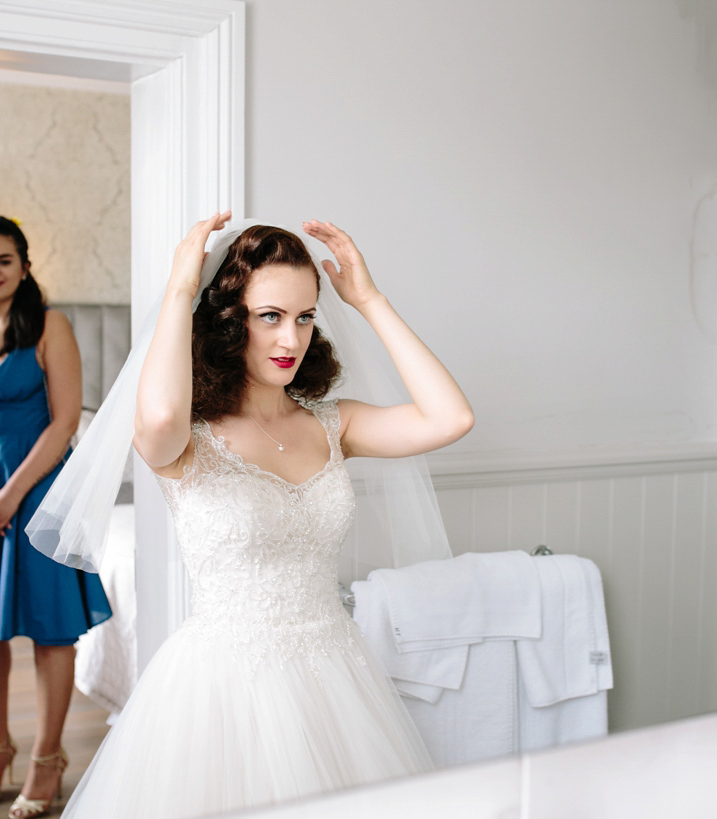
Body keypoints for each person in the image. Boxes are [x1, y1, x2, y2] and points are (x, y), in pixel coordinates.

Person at [40, 213, 474, 818]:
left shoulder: (331, 423)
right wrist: (178, 291)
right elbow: (159, 419)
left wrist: (369, 299)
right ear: (227, 319)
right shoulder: (186, 439)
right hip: (225, 692)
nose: (290, 340)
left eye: (304, 317)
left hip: (336, 678)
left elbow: (450, 418)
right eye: (269, 316)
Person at [0, 216, 111, 818]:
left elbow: (65, 421)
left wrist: (12, 495)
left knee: (49, 629)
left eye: (4, 260)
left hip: (37, 494)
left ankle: (47, 757)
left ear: (25, 265)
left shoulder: (50, 326)